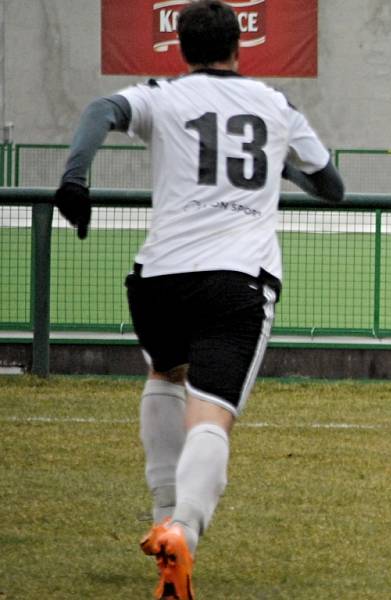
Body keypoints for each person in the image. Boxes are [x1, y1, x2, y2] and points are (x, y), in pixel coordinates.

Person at [53, 1, 344, 598]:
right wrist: (277, 169)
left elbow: (100, 109)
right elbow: (332, 187)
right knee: (211, 414)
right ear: (241, 45)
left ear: (178, 49)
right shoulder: (277, 106)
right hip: (236, 280)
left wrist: (74, 178)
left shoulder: (162, 95)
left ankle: (164, 515)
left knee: (165, 373)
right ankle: (183, 529)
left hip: (158, 278)